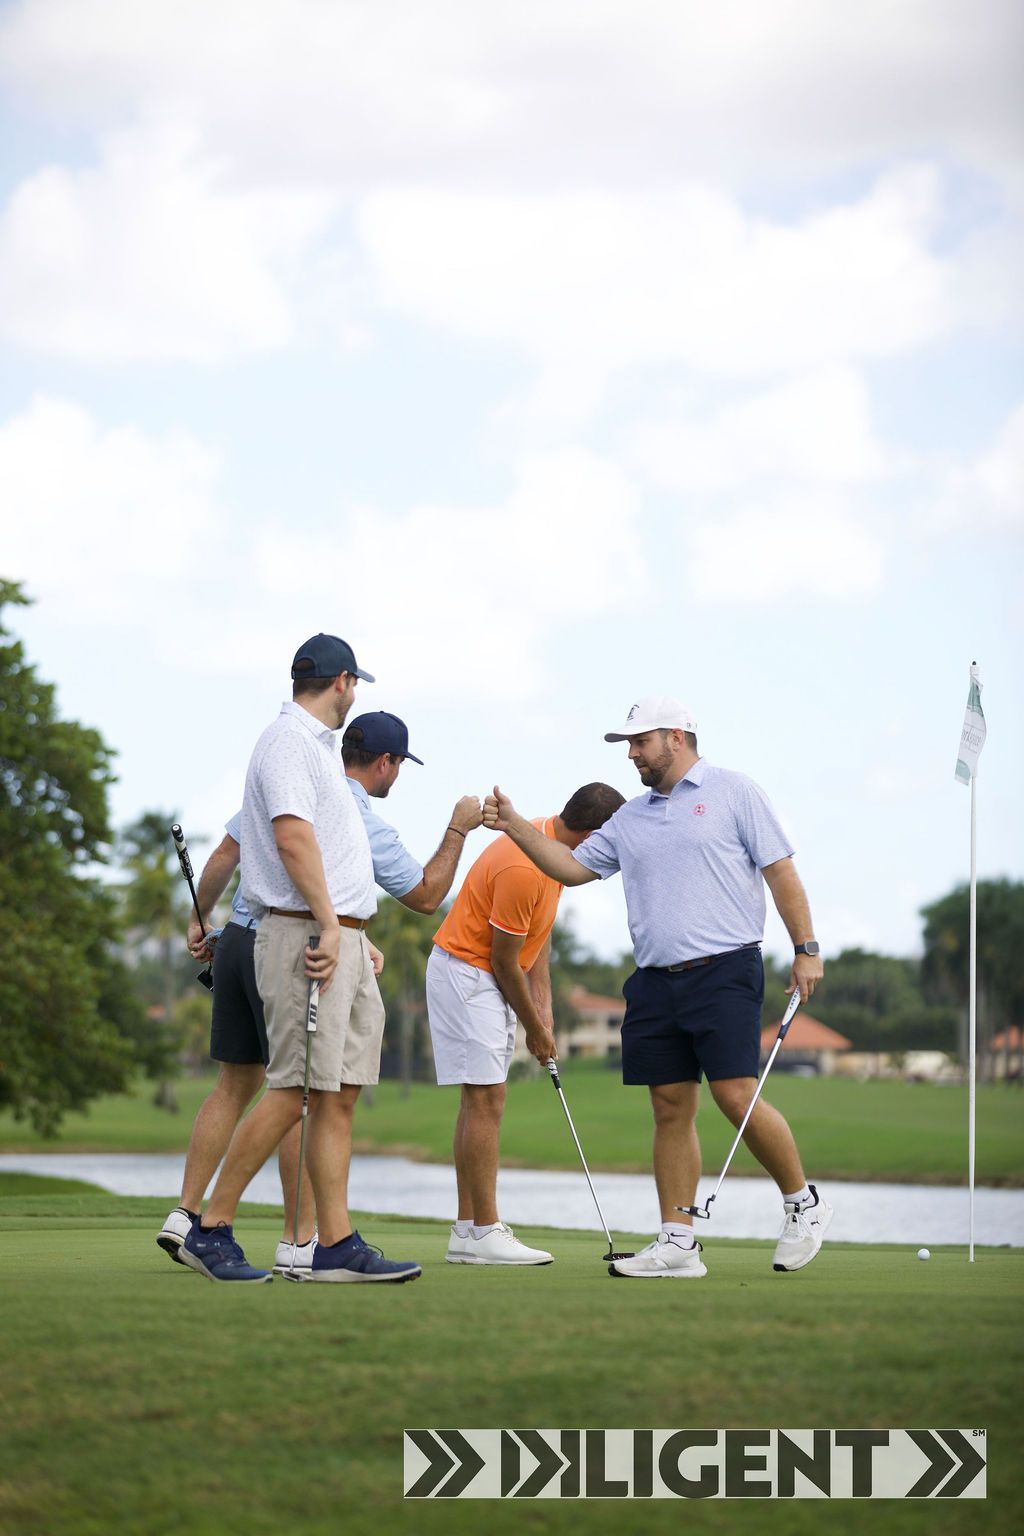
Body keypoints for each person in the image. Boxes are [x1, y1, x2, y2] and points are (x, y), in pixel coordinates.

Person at [482, 695, 830, 1279]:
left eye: (640, 742)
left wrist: (806, 948)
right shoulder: (630, 818)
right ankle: (677, 1242)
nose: (633, 755)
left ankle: (803, 1202)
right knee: (669, 1108)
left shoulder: (734, 791)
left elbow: (780, 869)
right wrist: (515, 825)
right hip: (654, 981)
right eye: (629, 745)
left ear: (676, 737)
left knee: (734, 1096)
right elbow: (570, 868)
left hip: (725, 969)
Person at [180, 633, 420, 1284]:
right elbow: (291, 840)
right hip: (306, 936)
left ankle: (334, 1243)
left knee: (331, 1094)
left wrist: (352, 929)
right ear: (343, 682)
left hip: (339, 936)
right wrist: (330, 924)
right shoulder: (288, 741)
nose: (355, 693)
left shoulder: (317, 749)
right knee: (292, 1090)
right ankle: (211, 1227)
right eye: (355, 684)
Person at [427, 782, 624, 1266]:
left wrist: (544, 1008)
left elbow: (539, 932)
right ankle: (485, 1230)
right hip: (471, 972)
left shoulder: (547, 846)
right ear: (592, 836)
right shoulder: (525, 866)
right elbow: (504, 960)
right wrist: (534, 1028)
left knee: (478, 1099)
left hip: (475, 972)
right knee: (487, 1098)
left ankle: (468, 1230)